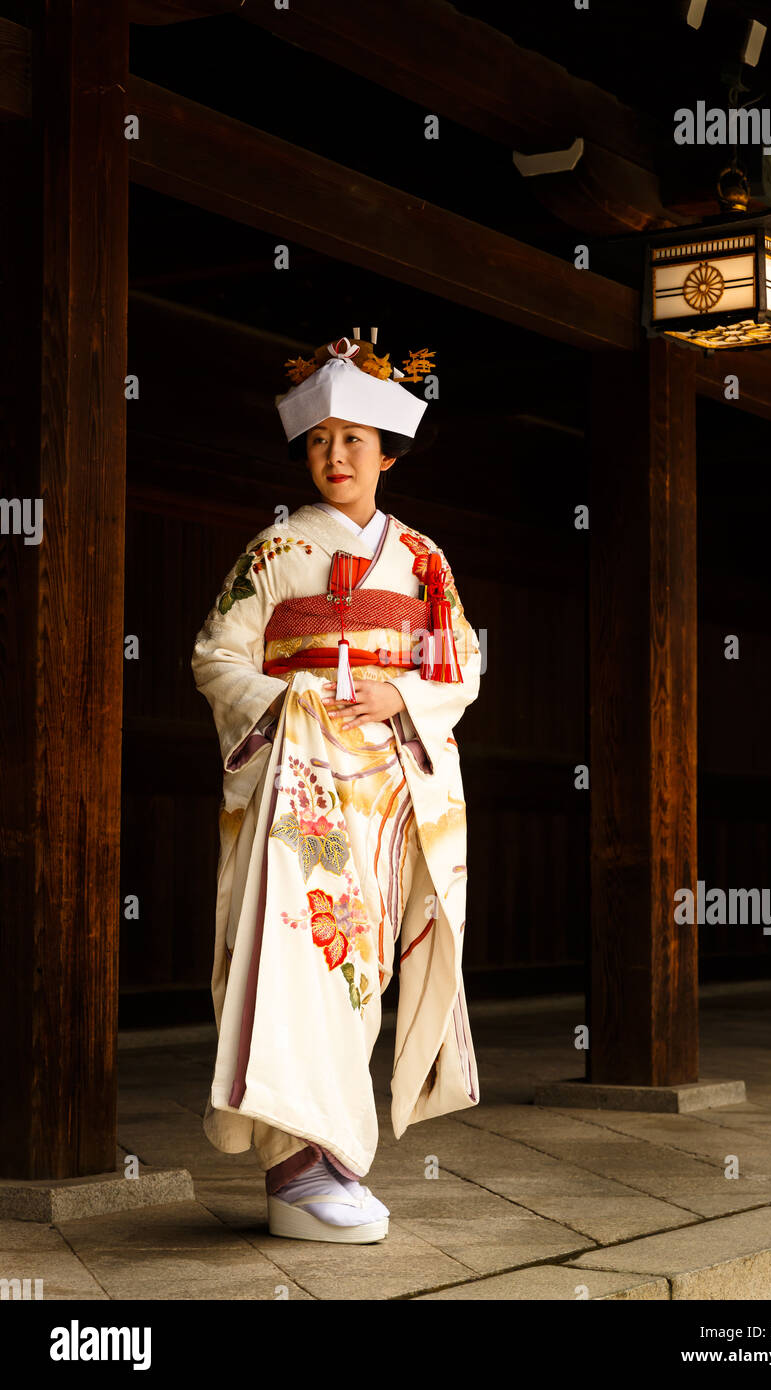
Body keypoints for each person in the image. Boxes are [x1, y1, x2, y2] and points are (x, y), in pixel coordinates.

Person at [190, 331, 482, 1243]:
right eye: (320, 441)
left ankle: (336, 1156)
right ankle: (292, 1163)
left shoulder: (424, 561)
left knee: (362, 967)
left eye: (356, 440)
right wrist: (295, 704)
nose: (336, 457)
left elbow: (462, 665)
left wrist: (403, 694)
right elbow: (216, 655)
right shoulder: (272, 551)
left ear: (388, 453)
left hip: (388, 788)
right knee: (291, 958)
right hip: (297, 790)